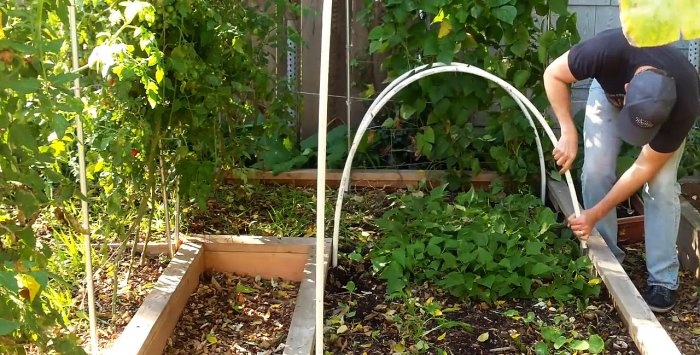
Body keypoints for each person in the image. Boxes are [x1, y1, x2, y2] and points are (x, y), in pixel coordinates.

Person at [543, 27, 700, 313]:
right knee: (595, 170)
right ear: (627, 87)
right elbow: (553, 74)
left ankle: (663, 279)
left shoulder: (686, 100)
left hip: (667, 114)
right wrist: (568, 131)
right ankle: (607, 260)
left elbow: (643, 167)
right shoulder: (606, 50)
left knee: (661, 186)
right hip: (606, 94)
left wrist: (594, 212)